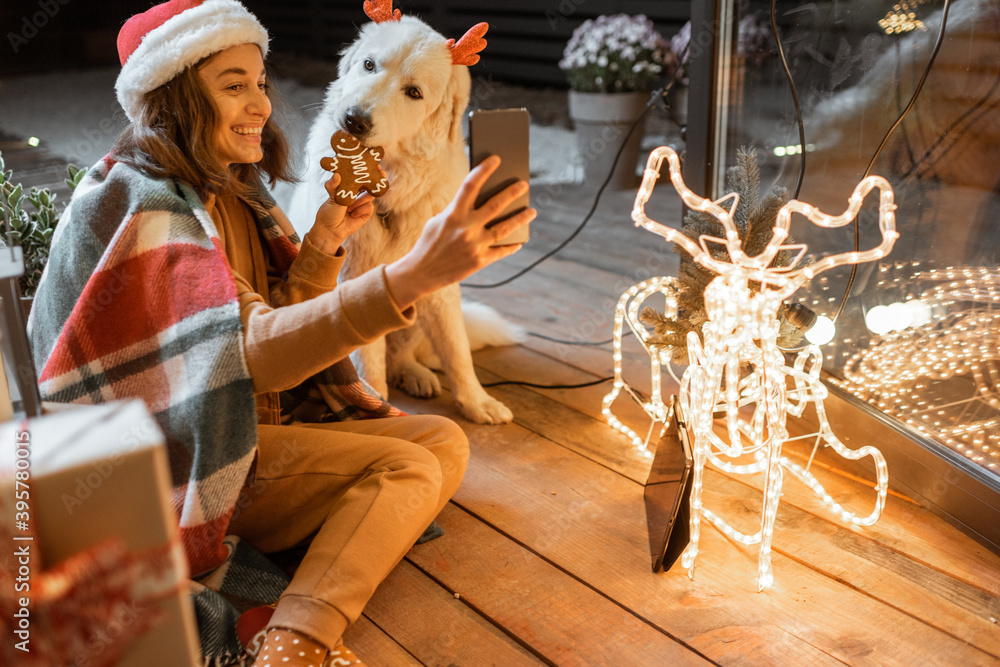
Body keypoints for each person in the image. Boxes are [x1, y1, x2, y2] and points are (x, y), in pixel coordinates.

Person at [27, 1, 534, 665]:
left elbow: (260, 336)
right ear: (174, 99)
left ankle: (335, 528)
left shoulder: (232, 190)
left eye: (261, 84)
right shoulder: (153, 208)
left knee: (441, 436)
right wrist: (411, 277)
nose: (262, 106)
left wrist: (321, 244)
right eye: (233, 85)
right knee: (408, 465)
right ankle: (296, 638)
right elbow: (251, 356)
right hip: (175, 463)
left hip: (231, 418)